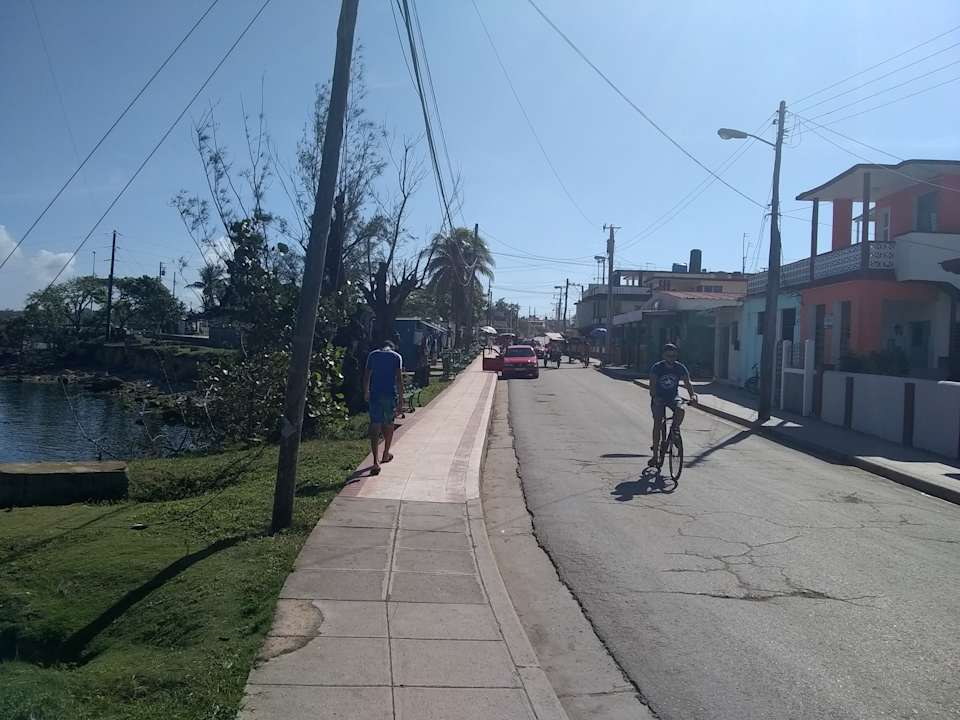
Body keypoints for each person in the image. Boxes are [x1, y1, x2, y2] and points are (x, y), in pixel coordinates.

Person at [648, 343, 697, 467]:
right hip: (659, 397)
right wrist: (655, 397)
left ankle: (674, 432)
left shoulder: (680, 367)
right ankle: (655, 455)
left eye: (674, 356)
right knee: (658, 422)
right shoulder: (657, 368)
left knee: (681, 409)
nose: (672, 358)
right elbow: (652, 385)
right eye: (669, 356)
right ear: (664, 356)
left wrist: (692, 396)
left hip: (672, 397)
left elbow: (687, 382)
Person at [364, 339, 404, 475]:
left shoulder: (372, 355)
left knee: (375, 424)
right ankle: (386, 453)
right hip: (389, 395)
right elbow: (399, 379)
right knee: (389, 424)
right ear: (392, 347)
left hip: (375, 394)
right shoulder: (396, 357)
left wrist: (366, 391)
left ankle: (375, 461)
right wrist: (401, 400)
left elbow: (367, 376)